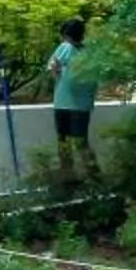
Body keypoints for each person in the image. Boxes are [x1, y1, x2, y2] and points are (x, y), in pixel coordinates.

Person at [47, 18, 99, 178]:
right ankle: (94, 176)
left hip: (63, 102)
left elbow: (53, 68)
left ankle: (68, 176)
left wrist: (58, 74)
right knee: (80, 141)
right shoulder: (91, 52)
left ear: (66, 35)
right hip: (82, 104)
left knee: (64, 142)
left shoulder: (65, 47)